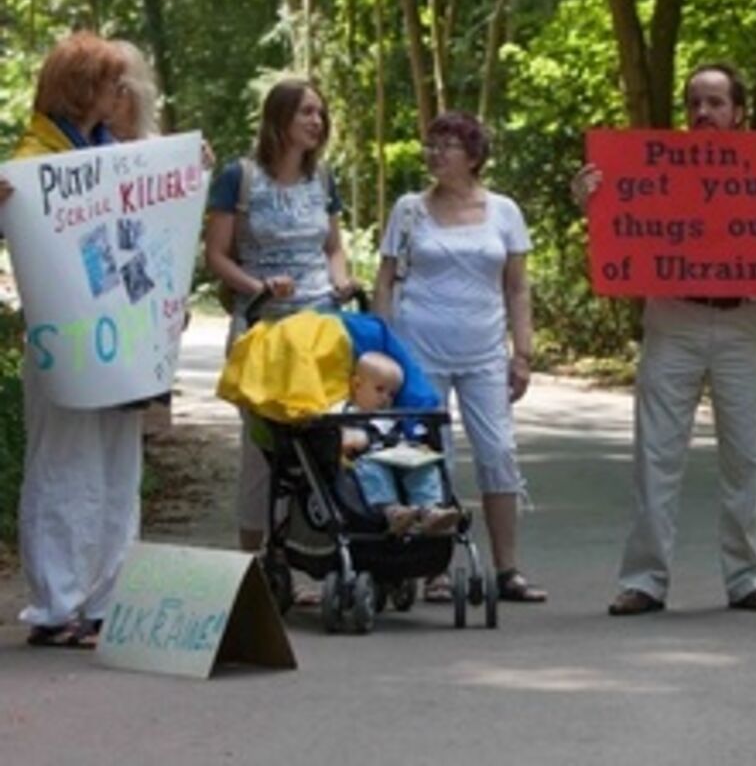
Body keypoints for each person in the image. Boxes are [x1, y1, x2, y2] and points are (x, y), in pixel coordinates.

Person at [573, 62, 756, 616]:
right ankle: (644, 579)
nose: (702, 114)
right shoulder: (654, 171)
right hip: (674, 321)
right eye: (694, 102)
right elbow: (624, 229)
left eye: (715, 103)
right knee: (656, 456)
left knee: (745, 458)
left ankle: (747, 577)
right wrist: (594, 201)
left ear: (739, 112)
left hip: (744, 324)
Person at [0, 32, 141, 647]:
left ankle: (108, 598)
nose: (121, 93)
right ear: (83, 87)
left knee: (116, 468)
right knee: (65, 468)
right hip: (66, 338)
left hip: (123, 337)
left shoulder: (117, 154)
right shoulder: (33, 158)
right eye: (112, 82)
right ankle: (57, 605)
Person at [373, 110, 545, 603]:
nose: (435, 154)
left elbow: (516, 287)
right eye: (431, 144)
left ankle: (508, 567)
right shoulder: (409, 209)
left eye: (447, 146)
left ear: (473, 156)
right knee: (430, 456)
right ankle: (435, 567)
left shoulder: (505, 212)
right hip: (419, 346)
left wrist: (523, 352)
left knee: (499, 452)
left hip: (485, 350)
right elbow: (386, 279)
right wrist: (384, 351)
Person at [205, 78, 356, 558]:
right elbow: (216, 255)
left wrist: (341, 280)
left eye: (321, 113)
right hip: (262, 327)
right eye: (306, 112)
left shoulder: (323, 179)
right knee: (263, 452)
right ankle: (253, 561)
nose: (317, 122)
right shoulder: (240, 177)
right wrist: (256, 287)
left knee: (320, 448)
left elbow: (333, 247)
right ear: (280, 119)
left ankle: (306, 553)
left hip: (318, 326)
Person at [340, 351, 458, 536]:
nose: (386, 398)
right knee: (372, 468)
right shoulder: (345, 413)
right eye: (379, 390)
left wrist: (416, 448)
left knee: (424, 466)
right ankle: (392, 512)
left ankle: (430, 510)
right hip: (364, 461)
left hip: (396, 457)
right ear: (357, 385)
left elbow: (402, 436)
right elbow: (342, 440)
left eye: (391, 394)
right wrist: (356, 438)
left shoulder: (391, 416)